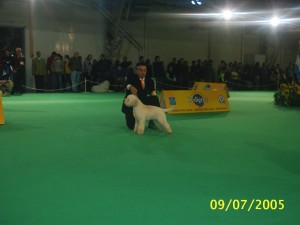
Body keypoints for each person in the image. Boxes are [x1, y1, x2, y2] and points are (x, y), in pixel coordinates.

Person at [121, 62, 160, 130]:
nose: (143, 72)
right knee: (132, 127)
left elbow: (152, 91)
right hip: (131, 104)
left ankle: (152, 121)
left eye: (145, 70)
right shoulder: (131, 77)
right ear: (137, 70)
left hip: (142, 102)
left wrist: (153, 93)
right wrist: (130, 86)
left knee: (155, 98)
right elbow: (125, 84)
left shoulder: (149, 80)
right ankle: (131, 117)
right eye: (141, 70)